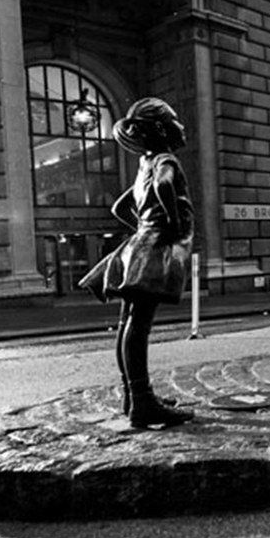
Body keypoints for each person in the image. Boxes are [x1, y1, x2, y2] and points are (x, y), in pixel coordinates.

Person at [79, 97, 195, 429]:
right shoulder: (166, 160)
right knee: (139, 324)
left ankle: (132, 396)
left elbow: (119, 207)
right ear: (161, 128)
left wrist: (143, 227)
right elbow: (163, 185)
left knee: (128, 322)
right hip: (153, 248)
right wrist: (171, 224)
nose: (180, 126)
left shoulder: (145, 162)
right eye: (175, 120)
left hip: (139, 244)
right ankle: (143, 402)